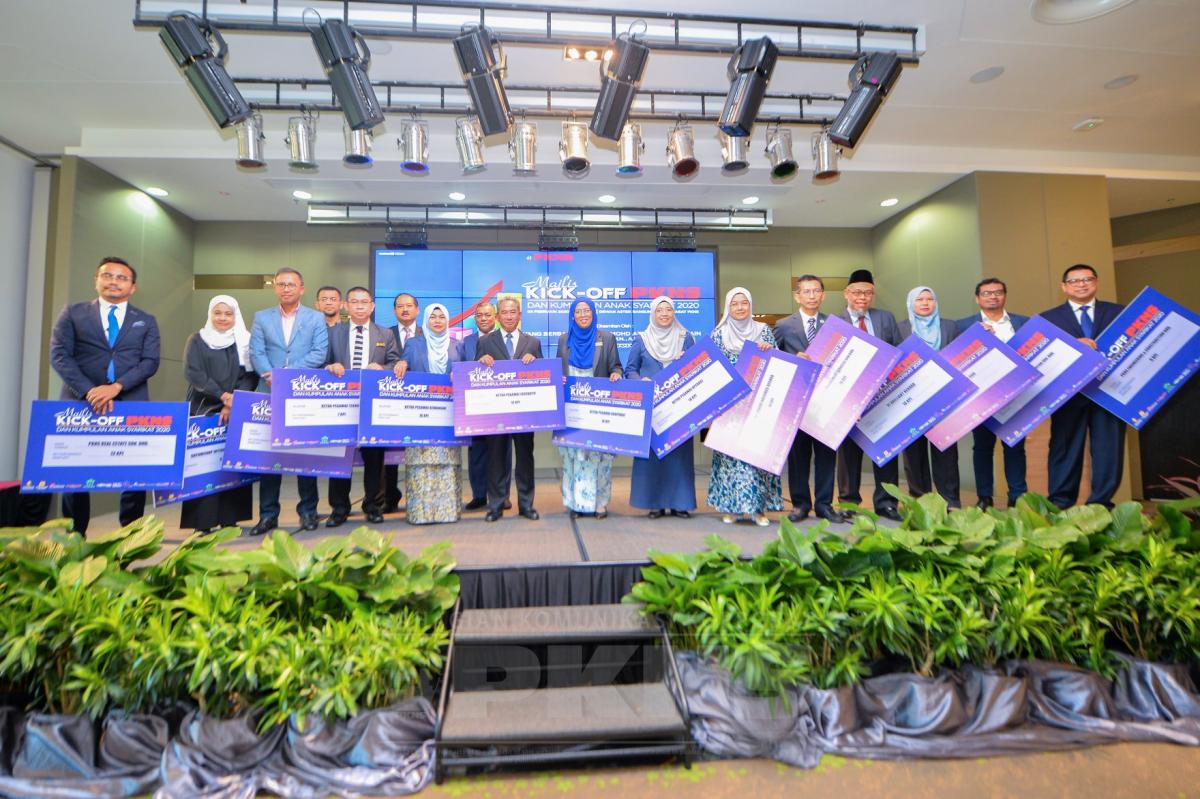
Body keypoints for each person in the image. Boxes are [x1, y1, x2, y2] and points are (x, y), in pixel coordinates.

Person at [48, 256, 160, 535]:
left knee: (133, 472)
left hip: (130, 400)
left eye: (122, 278)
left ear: (132, 287)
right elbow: (59, 355)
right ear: (96, 280)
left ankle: (131, 534)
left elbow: (150, 362)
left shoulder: (145, 321)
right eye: (107, 275)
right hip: (80, 403)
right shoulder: (73, 313)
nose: (114, 282)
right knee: (75, 473)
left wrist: (116, 386)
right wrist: (89, 390)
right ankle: (76, 534)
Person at [247, 267, 329, 535]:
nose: (286, 288)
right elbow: (256, 352)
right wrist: (271, 375)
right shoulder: (261, 317)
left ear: (301, 289)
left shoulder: (316, 318)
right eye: (281, 284)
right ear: (275, 288)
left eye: (291, 284)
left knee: (304, 455)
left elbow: (319, 353)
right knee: (270, 457)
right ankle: (268, 515)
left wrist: (285, 375)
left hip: (302, 393)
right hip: (268, 391)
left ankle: (308, 512)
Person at [1039, 264, 1126, 509]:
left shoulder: (1119, 313)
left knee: (1109, 449)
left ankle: (1101, 503)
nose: (1081, 284)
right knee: (1065, 448)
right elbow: (1044, 357)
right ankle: (1060, 503)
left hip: (1109, 392)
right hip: (1068, 395)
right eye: (1075, 281)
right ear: (1064, 287)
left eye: (1087, 279)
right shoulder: (1048, 319)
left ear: (1096, 282)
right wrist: (1072, 345)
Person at [773, 275, 847, 524]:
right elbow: (774, 359)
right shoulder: (784, 325)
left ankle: (824, 505)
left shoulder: (835, 325)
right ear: (797, 296)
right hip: (797, 401)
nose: (812, 296)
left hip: (827, 402)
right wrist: (794, 360)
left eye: (816, 291)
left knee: (826, 455)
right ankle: (800, 504)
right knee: (798, 456)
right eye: (806, 291)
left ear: (823, 295)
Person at [180, 295, 257, 533]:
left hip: (235, 409)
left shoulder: (244, 341)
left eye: (228, 314)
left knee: (231, 464)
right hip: (203, 408)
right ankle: (201, 523)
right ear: (210, 314)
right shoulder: (197, 340)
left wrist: (233, 402)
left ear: (236, 316)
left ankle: (230, 519)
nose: (223, 318)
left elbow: (251, 376)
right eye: (218, 313)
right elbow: (193, 372)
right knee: (203, 465)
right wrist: (223, 396)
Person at [324, 287, 400, 527]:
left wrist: (384, 369)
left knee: (374, 457)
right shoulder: (333, 332)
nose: (359, 306)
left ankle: (372, 505)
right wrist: (329, 366)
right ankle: (339, 508)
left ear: (372, 306)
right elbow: (321, 361)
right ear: (346, 306)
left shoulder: (385, 333)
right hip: (341, 404)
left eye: (364, 302)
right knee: (340, 455)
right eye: (354, 302)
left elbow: (395, 362)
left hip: (372, 405)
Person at [707, 287, 782, 526]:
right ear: (728, 307)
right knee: (730, 457)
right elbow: (711, 370)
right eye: (735, 304)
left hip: (759, 406)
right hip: (730, 407)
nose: (740, 308)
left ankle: (758, 509)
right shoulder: (719, 334)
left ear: (750, 306)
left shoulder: (763, 331)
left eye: (744, 303)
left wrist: (770, 350)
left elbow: (778, 364)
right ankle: (731, 508)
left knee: (756, 456)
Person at [836, 268, 904, 521]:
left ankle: (886, 503)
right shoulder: (835, 322)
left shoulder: (885, 318)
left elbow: (898, 351)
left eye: (867, 293)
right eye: (857, 292)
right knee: (848, 454)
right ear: (846, 293)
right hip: (849, 397)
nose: (862, 297)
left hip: (882, 396)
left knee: (885, 450)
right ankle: (849, 503)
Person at [956, 277, 1030, 509]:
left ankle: (1017, 496)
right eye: (987, 293)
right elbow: (957, 356)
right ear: (977, 298)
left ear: (1005, 296)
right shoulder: (964, 326)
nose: (993, 297)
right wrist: (975, 337)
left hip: (1016, 394)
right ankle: (984, 496)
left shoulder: (1023, 322)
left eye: (998, 292)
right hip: (982, 396)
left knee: (1015, 445)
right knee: (982, 447)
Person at [625, 296, 696, 519]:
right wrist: (641, 382)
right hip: (652, 410)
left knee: (678, 457)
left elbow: (697, 366)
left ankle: (680, 503)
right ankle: (654, 503)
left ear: (674, 313)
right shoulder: (641, 339)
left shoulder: (686, 338)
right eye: (659, 310)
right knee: (653, 457)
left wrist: (686, 360)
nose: (664, 314)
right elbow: (630, 370)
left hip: (679, 409)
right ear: (653, 314)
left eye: (668, 310)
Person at [395, 304, 466, 524]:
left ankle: (447, 512)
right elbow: (404, 364)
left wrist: (459, 374)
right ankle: (420, 513)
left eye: (441, 317)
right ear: (426, 320)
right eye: (433, 317)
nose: (437, 321)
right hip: (421, 415)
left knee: (447, 463)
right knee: (420, 464)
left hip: (447, 414)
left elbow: (465, 372)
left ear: (447, 320)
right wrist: (401, 363)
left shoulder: (457, 345)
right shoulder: (414, 343)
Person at [477, 296, 543, 522]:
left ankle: (526, 505)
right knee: (495, 460)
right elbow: (474, 375)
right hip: (495, 413)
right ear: (497, 316)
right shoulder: (485, 342)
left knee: (525, 460)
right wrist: (481, 361)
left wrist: (535, 361)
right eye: (504, 312)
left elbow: (544, 375)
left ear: (520, 315)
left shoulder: (532, 342)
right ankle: (495, 505)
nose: (508, 316)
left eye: (512, 312)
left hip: (524, 413)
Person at [556, 298, 622, 519]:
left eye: (587, 311)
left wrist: (616, 374)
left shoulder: (607, 338)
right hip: (572, 410)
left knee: (599, 455)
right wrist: (559, 379)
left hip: (598, 410)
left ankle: (600, 503)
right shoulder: (564, 340)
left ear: (593, 313)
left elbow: (616, 367)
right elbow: (558, 370)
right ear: (572, 316)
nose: (583, 315)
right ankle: (575, 503)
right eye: (578, 311)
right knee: (573, 456)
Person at [899, 286, 962, 508]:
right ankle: (920, 500)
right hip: (912, 400)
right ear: (911, 304)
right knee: (914, 452)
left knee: (946, 450)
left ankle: (950, 499)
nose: (925, 303)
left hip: (944, 398)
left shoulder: (950, 326)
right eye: (919, 299)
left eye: (929, 299)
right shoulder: (901, 328)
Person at [461, 303, 509, 512]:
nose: (483, 318)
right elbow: (462, 367)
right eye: (479, 315)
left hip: (502, 404)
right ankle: (479, 495)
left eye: (487, 315)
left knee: (503, 453)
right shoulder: (466, 342)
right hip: (477, 405)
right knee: (477, 453)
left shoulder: (505, 338)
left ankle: (503, 495)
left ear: (495, 317)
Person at [382, 293, 422, 512]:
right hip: (392, 401)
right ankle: (389, 497)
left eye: (409, 306)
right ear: (394, 310)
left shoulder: (427, 333)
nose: (405, 309)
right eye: (400, 306)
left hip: (420, 402)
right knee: (389, 452)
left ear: (417, 309)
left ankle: (419, 496)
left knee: (419, 450)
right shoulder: (385, 334)